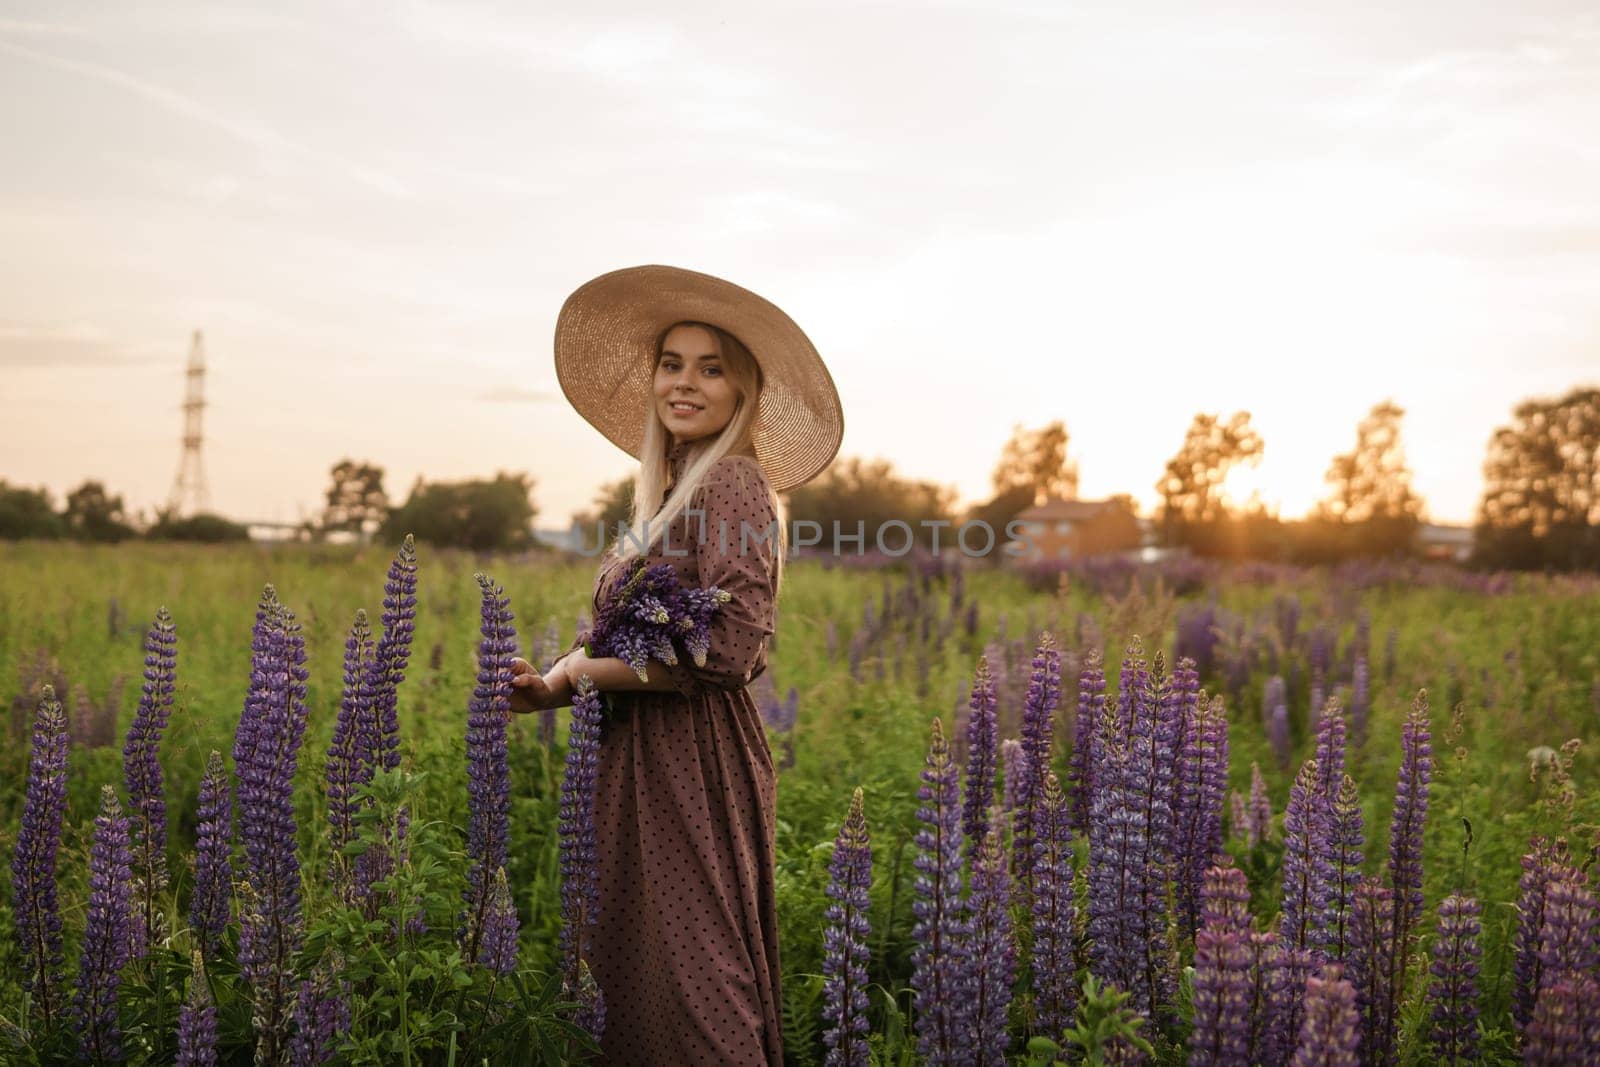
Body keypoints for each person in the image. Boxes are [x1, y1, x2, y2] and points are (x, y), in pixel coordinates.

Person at [508, 265, 844, 1066]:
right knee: (639, 980)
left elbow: (727, 649)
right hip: (638, 759)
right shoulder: (667, 492)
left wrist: (583, 678)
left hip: (695, 760)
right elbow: (620, 638)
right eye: (671, 362)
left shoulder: (731, 480)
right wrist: (550, 684)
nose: (685, 382)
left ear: (742, 390)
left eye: (711, 366)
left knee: (702, 992)